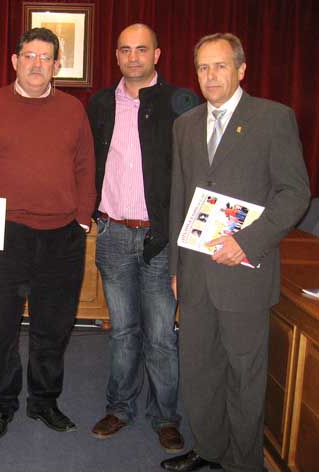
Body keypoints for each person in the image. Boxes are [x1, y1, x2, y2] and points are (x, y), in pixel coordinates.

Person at [163, 33, 310, 471]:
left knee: (244, 377)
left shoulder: (273, 118)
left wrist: (245, 241)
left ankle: (244, 463)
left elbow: (294, 194)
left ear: (241, 69)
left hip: (244, 273)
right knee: (199, 370)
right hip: (194, 274)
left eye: (220, 66)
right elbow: (178, 199)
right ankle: (209, 449)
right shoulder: (184, 124)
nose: (210, 76)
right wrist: (175, 266)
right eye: (203, 67)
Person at [0, 27, 96, 439]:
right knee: (1, 327)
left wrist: (80, 219)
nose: (37, 64)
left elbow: (85, 166)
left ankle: (44, 401)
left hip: (62, 236)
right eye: (29, 56)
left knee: (53, 328)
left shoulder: (74, 110)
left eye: (45, 58)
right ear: (14, 61)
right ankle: (1, 405)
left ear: (57, 65)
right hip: (6, 234)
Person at [87, 23, 197, 453]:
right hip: (113, 234)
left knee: (160, 335)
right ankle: (119, 407)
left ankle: (166, 417)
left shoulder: (179, 103)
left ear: (157, 54)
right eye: (125, 50)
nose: (133, 57)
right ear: (116, 56)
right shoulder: (98, 104)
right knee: (122, 331)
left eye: (142, 50)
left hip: (160, 239)